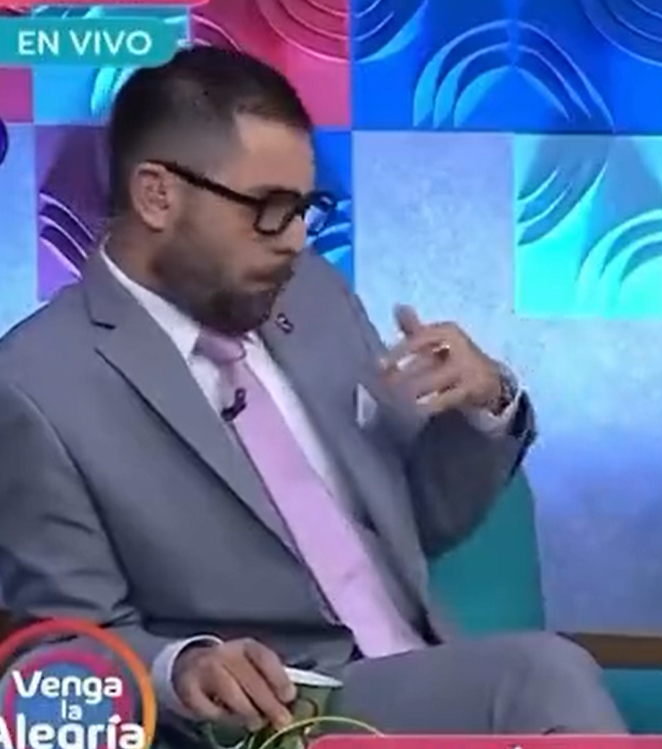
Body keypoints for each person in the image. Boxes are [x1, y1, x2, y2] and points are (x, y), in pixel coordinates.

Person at [0, 46, 626, 738]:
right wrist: (181, 668)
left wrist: (484, 405)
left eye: (304, 209)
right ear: (158, 195)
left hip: (419, 670)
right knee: (544, 675)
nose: (296, 240)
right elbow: (61, 650)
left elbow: (420, 522)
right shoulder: (38, 383)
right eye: (269, 208)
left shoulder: (312, 296)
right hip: (280, 712)